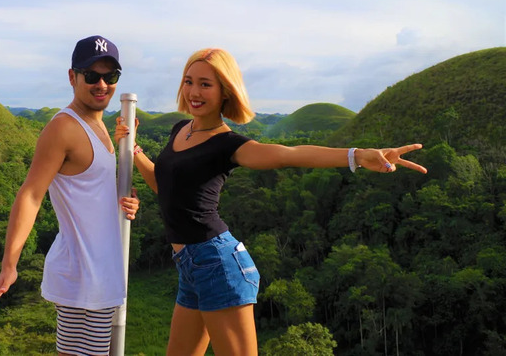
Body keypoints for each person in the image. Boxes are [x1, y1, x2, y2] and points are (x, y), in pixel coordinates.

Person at [116, 47, 427, 356]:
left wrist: (356, 155)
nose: (194, 92)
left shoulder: (227, 144)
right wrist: (134, 149)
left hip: (217, 265)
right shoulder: (180, 130)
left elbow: (287, 154)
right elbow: (166, 188)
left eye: (205, 84)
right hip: (189, 266)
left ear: (225, 91)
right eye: (189, 81)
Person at [0, 35, 140, 356]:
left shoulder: (98, 127)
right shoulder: (64, 128)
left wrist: (121, 200)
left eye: (110, 76)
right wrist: (9, 265)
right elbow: (31, 194)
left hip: (99, 274)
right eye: (91, 75)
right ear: (72, 77)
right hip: (84, 276)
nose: (102, 84)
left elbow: (87, 191)